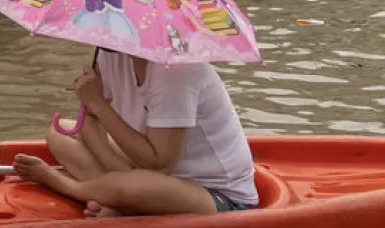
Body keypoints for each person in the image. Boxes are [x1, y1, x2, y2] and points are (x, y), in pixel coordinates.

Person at [13, 49, 258, 217]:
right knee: (60, 135)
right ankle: (118, 200)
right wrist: (114, 163)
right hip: (146, 170)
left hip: (215, 195)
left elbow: (159, 165)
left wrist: (97, 103)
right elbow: (89, 124)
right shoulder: (110, 56)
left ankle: (65, 184)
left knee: (133, 186)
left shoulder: (176, 72)